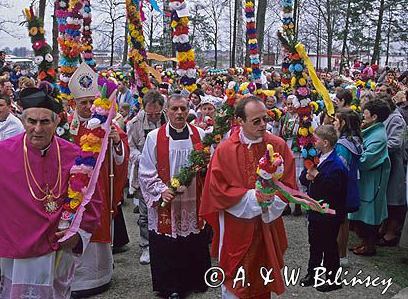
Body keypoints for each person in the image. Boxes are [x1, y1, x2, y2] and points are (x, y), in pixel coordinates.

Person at [0, 88, 103, 298]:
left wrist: (77, 235)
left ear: (57, 121)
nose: (38, 129)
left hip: (56, 256)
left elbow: (92, 200)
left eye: (45, 122)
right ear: (23, 121)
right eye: (32, 121)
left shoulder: (75, 157)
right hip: (11, 260)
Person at [200, 96, 296, 299]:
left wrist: (270, 199)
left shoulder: (278, 145)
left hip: (267, 224)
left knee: (263, 275)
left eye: (265, 119)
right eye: (256, 121)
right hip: (237, 224)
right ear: (240, 121)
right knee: (236, 280)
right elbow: (216, 189)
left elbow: (288, 183)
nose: (263, 125)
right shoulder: (225, 150)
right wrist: (253, 198)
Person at [139, 94, 210, 298]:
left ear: (188, 111)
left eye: (183, 109)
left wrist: (205, 166)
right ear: (167, 111)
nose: (179, 113)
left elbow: (211, 167)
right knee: (167, 243)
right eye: (175, 109)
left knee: (193, 240)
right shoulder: (155, 137)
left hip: (192, 200)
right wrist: (162, 190)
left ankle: (195, 281)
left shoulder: (201, 134)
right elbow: (145, 170)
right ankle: (169, 286)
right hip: (166, 201)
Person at [68, 66, 129, 297]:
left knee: (96, 226)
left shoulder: (106, 124)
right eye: (81, 102)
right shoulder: (65, 126)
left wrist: (115, 142)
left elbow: (121, 156)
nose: (85, 106)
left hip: (98, 188)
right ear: (74, 103)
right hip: (70, 191)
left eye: (89, 101)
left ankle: (99, 275)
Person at [299, 125, 348, 292]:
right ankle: (312, 274)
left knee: (329, 246)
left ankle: (334, 279)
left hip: (329, 214)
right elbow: (307, 176)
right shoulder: (317, 157)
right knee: (314, 244)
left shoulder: (337, 163)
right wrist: (306, 178)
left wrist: (317, 177)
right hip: (315, 211)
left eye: (316, 140)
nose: (313, 142)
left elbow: (335, 189)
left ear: (325, 142)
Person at [126, 90, 166, 265]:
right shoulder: (134, 124)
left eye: (157, 113)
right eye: (150, 114)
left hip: (166, 171)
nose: (154, 116)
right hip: (144, 173)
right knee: (144, 212)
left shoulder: (167, 118)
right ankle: (146, 246)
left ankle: (164, 243)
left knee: (165, 210)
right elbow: (130, 147)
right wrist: (144, 158)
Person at [349, 98, 391, 256]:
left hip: (373, 181)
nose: (362, 115)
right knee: (364, 212)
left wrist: (351, 156)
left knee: (370, 213)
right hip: (366, 179)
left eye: (365, 113)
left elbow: (366, 160)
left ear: (374, 117)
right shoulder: (371, 131)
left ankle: (369, 245)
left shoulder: (378, 136)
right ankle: (365, 243)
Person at [333, 109, 363, 267]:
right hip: (350, 184)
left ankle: (337, 255)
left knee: (338, 221)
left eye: (336, 120)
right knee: (344, 221)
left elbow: (339, 168)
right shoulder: (355, 140)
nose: (334, 123)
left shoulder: (343, 144)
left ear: (343, 123)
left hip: (341, 187)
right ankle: (342, 255)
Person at [377, 94, 406, 246]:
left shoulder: (396, 119)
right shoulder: (389, 117)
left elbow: (394, 143)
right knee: (387, 199)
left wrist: (376, 148)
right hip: (386, 164)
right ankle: (384, 228)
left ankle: (391, 233)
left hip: (394, 165)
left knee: (394, 201)